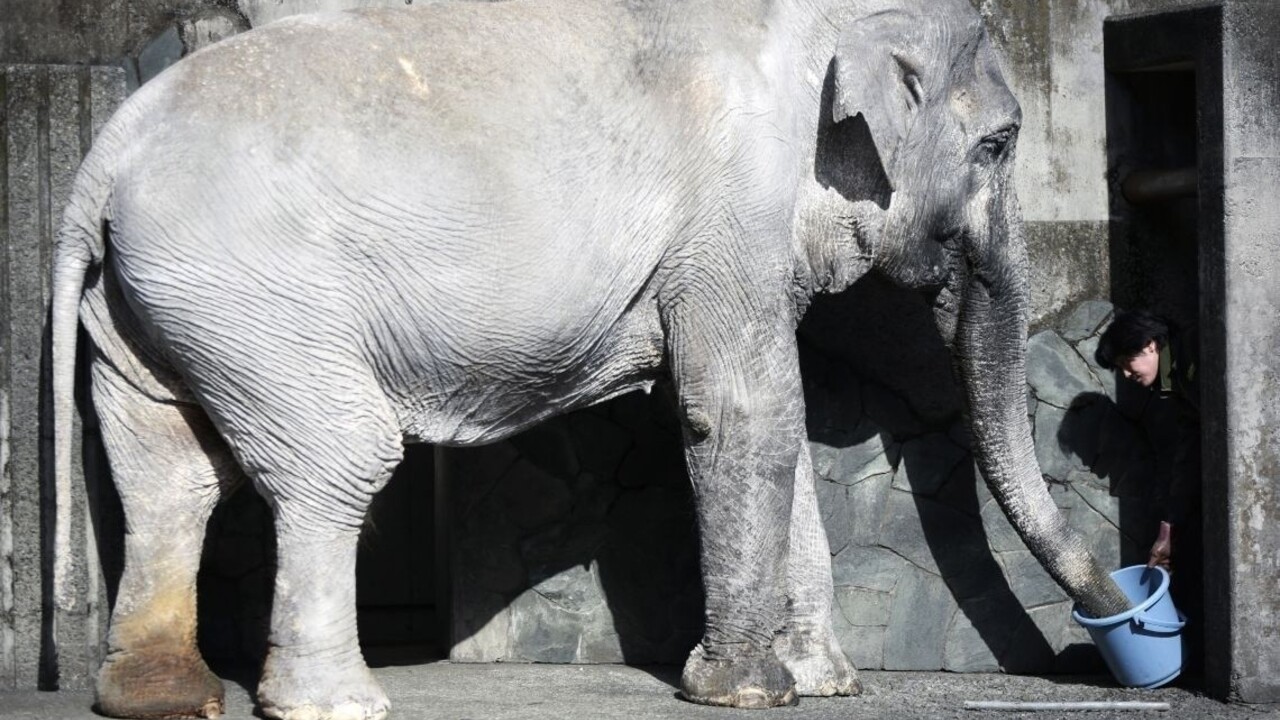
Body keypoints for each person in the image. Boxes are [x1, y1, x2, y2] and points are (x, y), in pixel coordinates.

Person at [1094, 310, 1200, 570]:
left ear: (1149, 345)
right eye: (1120, 369)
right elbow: (1189, 456)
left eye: (1124, 363)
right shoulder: (1175, 384)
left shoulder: (1196, 348)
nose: (1127, 375)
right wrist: (1169, 529)